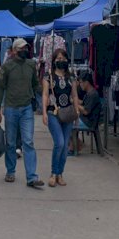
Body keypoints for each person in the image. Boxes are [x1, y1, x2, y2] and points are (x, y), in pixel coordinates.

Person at [0, 38, 44, 189]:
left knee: (28, 141)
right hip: (10, 109)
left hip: (27, 108)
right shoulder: (7, 67)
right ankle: (10, 171)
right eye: (21, 48)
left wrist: (43, 98)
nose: (25, 50)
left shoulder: (31, 65)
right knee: (10, 142)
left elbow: (35, 84)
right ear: (14, 51)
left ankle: (31, 177)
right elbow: (0, 88)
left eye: (26, 48)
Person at [42, 48, 80, 187]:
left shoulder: (71, 77)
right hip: (53, 112)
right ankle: (53, 173)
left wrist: (76, 112)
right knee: (60, 143)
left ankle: (60, 173)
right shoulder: (48, 76)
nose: (61, 61)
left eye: (63, 59)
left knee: (65, 147)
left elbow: (75, 95)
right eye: (58, 59)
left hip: (68, 113)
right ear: (53, 60)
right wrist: (45, 113)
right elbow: (45, 95)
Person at [69, 72, 102, 155]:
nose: (80, 85)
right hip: (85, 119)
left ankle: (74, 148)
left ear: (86, 82)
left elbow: (86, 111)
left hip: (89, 122)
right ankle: (76, 145)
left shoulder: (93, 94)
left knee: (67, 124)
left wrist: (74, 102)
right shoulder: (89, 93)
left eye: (80, 82)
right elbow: (83, 103)